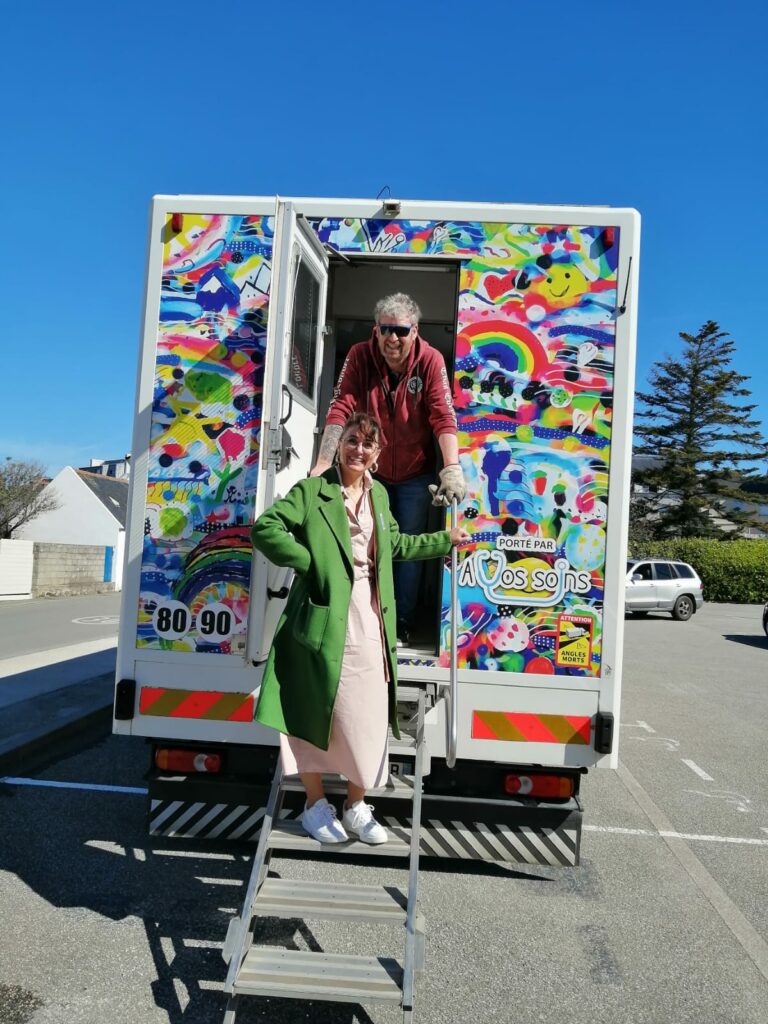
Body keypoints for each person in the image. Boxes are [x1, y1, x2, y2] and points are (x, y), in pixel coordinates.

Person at [252, 413, 469, 845]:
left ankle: (355, 805)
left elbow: (396, 545)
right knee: (310, 706)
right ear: (339, 445)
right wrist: (309, 562)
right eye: (352, 440)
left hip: (369, 614)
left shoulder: (380, 495)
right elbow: (265, 529)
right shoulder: (313, 490)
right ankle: (315, 805)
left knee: (367, 712)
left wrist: (445, 540)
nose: (358, 449)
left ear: (378, 453)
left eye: (368, 444)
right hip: (321, 614)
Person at [312, 293, 466, 645]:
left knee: (407, 548)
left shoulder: (430, 360)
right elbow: (341, 407)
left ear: (415, 331)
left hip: (415, 473)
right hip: (371, 471)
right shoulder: (359, 355)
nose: (392, 338)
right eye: (385, 330)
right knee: (365, 543)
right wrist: (323, 462)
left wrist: (452, 468)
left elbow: (443, 415)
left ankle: (401, 622)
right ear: (375, 330)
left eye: (400, 331)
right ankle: (365, 619)